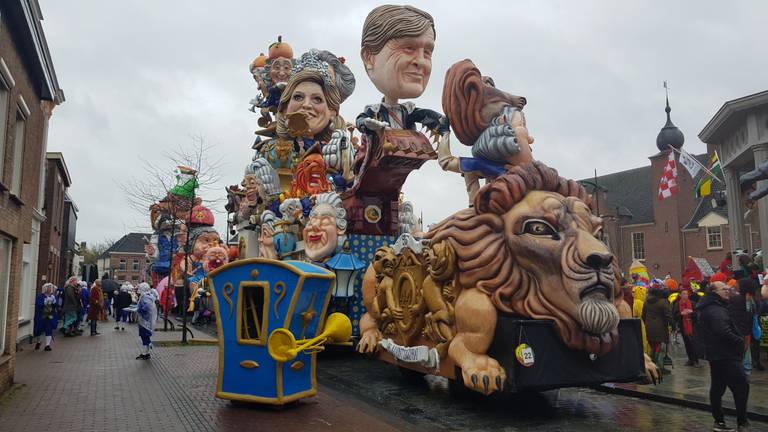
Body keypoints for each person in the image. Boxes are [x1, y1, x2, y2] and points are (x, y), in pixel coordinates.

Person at [698, 281, 750, 432]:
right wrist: (740, 342)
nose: (728, 291)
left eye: (728, 288)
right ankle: (742, 422)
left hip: (717, 355)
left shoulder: (710, 307)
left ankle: (719, 422)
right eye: (724, 289)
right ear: (715, 293)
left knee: (718, 388)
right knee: (741, 387)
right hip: (726, 355)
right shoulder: (716, 310)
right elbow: (722, 331)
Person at [729, 278, 758, 376]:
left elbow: (744, 318)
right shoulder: (750, 300)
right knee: (745, 351)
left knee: (743, 352)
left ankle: (743, 371)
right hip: (744, 331)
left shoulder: (737, 299)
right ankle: (746, 371)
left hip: (741, 331)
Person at [643, 285, 672, 373]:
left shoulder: (646, 302)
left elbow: (643, 315)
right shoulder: (663, 302)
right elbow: (668, 315)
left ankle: (652, 365)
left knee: (653, 346)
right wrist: (672, 325)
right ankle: (658, 367)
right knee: (660, 346)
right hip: (660, 327)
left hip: (649, 326)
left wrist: (647, 323)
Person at [672, 288, 699, 366]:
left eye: (686, 294)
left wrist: (692, 312)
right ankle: (690, 359)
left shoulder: (693, 303)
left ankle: (696, 360)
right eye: (683, 294)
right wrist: (681, 314)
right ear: (680, 295)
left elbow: (697, 314)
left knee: (693, 344)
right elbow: (675, 316)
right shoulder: (677, 304)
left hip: (692, 326)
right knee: (687, 344)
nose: (685, 295)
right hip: (683, 326)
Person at [33, 283, 58, 351]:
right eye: (49, 287)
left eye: (51, 288)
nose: (50, 289)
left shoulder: (53, 296)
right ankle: (38, 342)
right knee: (38, 330)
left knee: (49, 329)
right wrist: (45, 301)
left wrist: (54, 302)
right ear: (45, 288)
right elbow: (38, 304)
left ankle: (47, 345)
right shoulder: (40, 296)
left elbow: (56, 305)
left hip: (49, 316)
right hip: (41, 316)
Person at [136, 282, 158, 360]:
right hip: (146, 320)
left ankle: (145, 352)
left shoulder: (145, 297)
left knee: (144, 336)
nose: (138, 290)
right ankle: (146, 352)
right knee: (145, 336)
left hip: (144, 321)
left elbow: (146, 307)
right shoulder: (148, 296)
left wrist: (139, 310)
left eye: (140, 289)